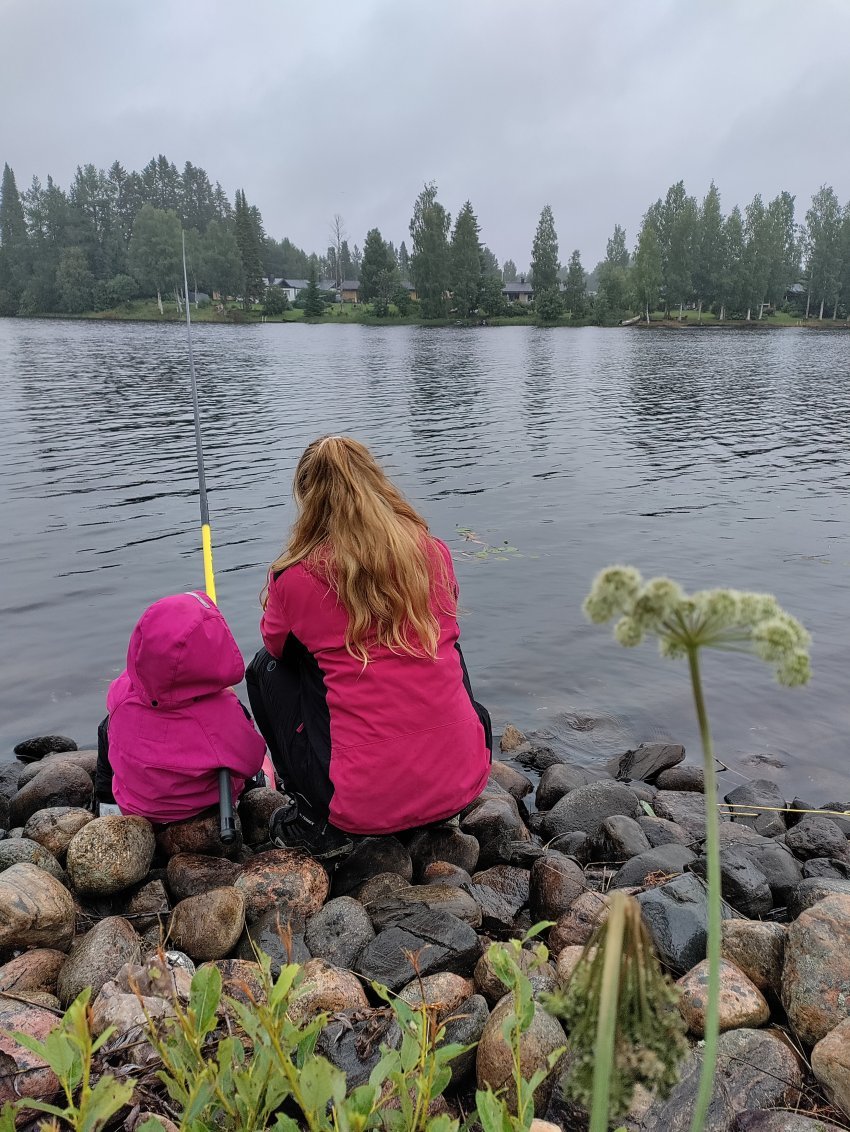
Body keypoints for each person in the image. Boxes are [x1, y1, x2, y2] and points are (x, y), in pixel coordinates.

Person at [247, 435, 492, 861]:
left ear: (309, 498)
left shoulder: (293, 578)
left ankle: (309, 813)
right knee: (435, 638)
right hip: (463, 783)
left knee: (266, 668)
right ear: (375, 483)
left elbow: (276, 647)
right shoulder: (432, 552)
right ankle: (439, 783)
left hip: (355, 805)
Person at [95, 591, 266, 823]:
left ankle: (105, 799)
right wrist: (231, 704)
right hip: (197, 810)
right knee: (251, 751)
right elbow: (251, 760)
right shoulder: (219, 716)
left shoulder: (122, 692)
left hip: (134, 805)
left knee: (107, 726)